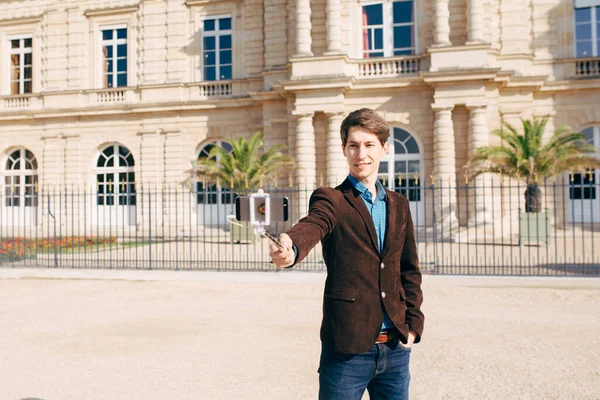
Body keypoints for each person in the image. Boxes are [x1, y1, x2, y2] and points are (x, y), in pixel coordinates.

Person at [269, 108, 424, 400]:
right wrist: (292, 245)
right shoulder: (332, 199)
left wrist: (413, 326)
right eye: (353, 145)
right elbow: (314, 224)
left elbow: (409, 270)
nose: (360, 153)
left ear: (384, 149)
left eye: (369, 145)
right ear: (344, 149)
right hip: (347, 352)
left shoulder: (399, 204)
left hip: (395, 349)